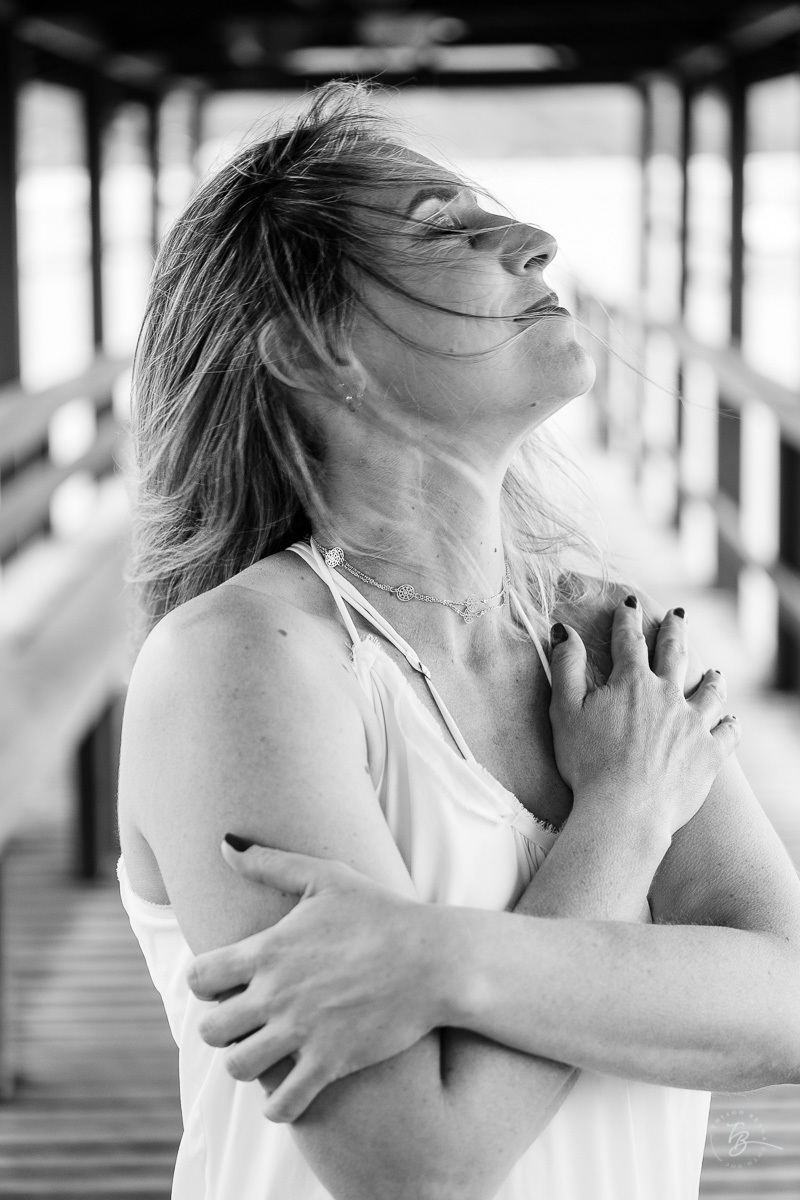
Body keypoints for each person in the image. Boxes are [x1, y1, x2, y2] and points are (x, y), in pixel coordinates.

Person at [117, 83, 800, 1200]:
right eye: (442, 226)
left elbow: (778, 1009)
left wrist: (433, 959)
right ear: (309, 349)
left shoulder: (597, 633)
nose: (532, 241)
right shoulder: (241, 664)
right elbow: (412, 1162)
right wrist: (621, 821)